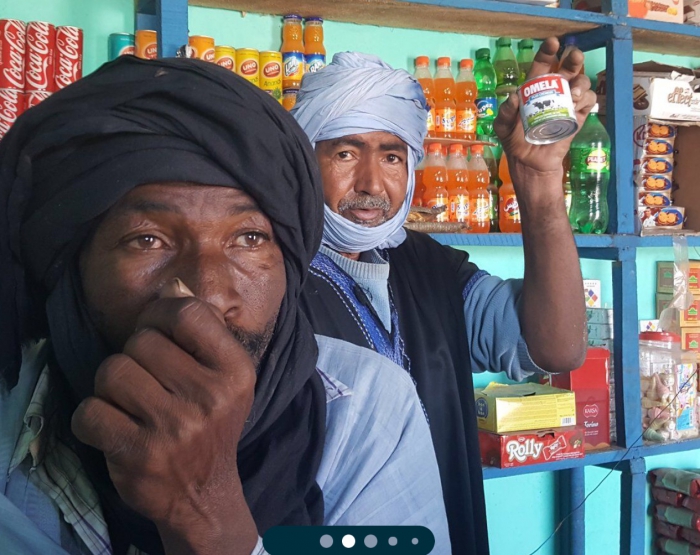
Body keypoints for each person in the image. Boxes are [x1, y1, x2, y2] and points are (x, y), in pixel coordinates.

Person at [0, 57, 451, 555]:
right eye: (147, 240)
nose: (209, 296)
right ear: (74, 268)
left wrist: (201, 511)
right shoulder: (13, 417)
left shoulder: (367, 411)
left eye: (249, 238)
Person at [293, 37, 595, 555]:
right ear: (302, 160)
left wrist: (539, 181)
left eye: (392, 157)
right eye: (345, 153)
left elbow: (557, 349)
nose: (372, 183)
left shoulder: (433, 268)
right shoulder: (267, 276)